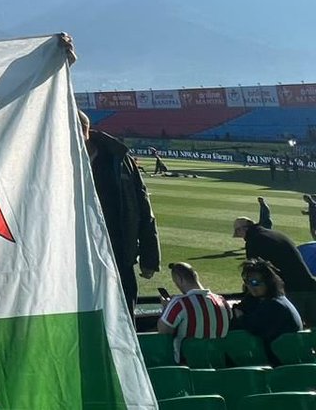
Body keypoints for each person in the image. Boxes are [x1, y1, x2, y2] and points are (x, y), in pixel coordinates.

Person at [80, 111, 160, 314]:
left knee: (122, 318)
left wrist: (149, 258)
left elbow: (143, 208)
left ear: (83, 130)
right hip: (74, 256)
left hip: (117, 254)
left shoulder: (119, 160)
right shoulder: (53, 161)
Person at [233, 216, 316, 326]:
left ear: (243, 229)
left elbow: (255, 272)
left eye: (238, 231)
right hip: (309, 286)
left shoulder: (254, 241)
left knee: (291, 331)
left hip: (292, 290)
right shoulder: (274, 234)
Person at [156, 261, 231, 362]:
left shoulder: (179, 303)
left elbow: (163, 332)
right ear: (196, 275)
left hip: (187, 368)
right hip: (217, 364)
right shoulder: (223, 302)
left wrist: (166, 308)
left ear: (179, 279)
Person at [231, 258, 302, 364]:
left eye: (255, 282)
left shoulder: (276, 305)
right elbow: (241, 309)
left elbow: (250, 326)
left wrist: (241, 317)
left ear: (268, 282)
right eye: (247, 282)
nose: (250, 287)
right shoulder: (259, 299)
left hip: (284, 361)